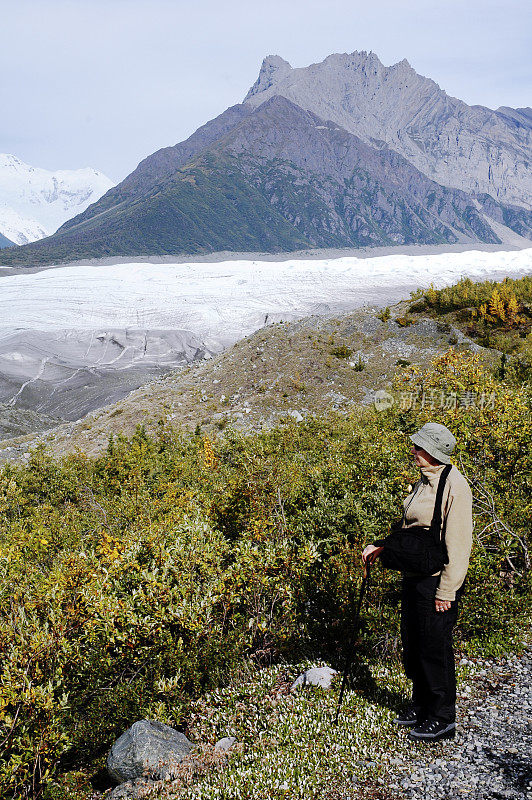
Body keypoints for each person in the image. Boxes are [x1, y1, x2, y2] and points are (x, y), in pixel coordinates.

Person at [362, 422, 473, 742]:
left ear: (435, 453)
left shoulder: (455, 487)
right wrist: (383, 547)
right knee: (413, 644)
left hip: (436, 581)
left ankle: (442, 716)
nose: (414, 451)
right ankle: (422, 703)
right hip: (414, 577)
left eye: (420, 447)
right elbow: (410, 530)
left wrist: (447, 590)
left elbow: (459, 545)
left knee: (434, 648)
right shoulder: (423, 482)